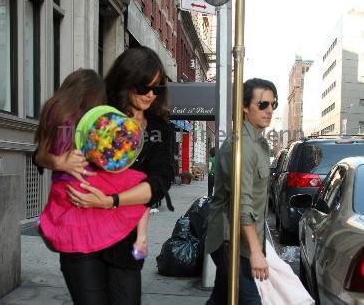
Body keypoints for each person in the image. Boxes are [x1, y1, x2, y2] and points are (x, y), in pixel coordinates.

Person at [35, 46, 174, 305]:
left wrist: (110, 201)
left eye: (157, 89)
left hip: (127, 238)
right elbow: (41, 154)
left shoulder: (160, 128)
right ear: (126, 81)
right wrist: (58, 160)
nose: (150, 95)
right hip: (81, 229)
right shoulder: (97, 109)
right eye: (144, 88)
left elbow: (159, 183)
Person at [205, 78, 278, 305]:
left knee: (221, 298)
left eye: (273, 105)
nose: (269, 111)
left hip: (240, 239)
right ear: (245, 107)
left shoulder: (258, 143)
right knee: (250, 300)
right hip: (231, 240)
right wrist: (256, 252)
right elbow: (242, 203)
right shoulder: (243, 147)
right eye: (262, 105)